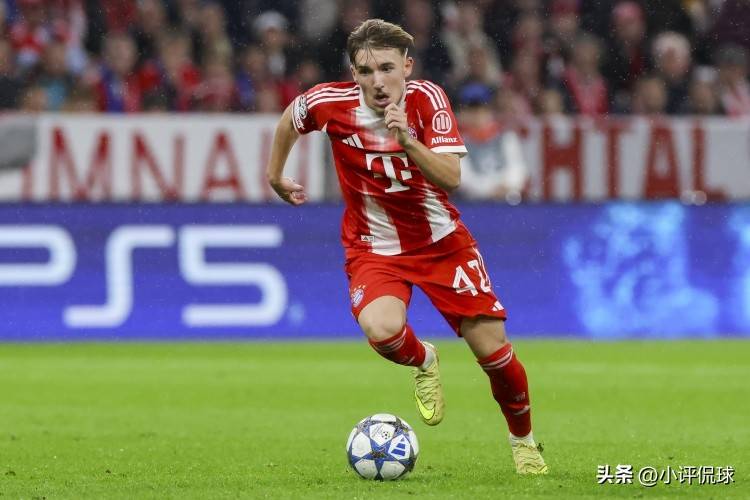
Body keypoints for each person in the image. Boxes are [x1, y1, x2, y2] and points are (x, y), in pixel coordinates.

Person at [266, 19, 548, 475]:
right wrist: (275, 175)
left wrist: (407, 141)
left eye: (386, 68)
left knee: (493, 354)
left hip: (441, 244)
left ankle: (524, 443)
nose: (377, 81)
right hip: (373, 246)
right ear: (354, 73)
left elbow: (451, 178)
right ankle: (425, 359)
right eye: (365, 71)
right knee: (381, 330)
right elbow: (289, 120)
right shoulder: (328, 102)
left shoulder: (428, 99)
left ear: (407, 66)